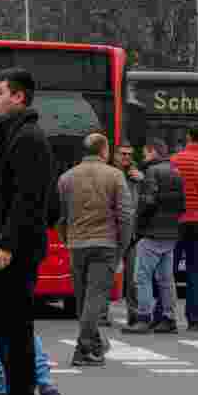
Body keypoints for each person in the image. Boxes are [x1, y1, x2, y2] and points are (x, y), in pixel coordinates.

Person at [0, 68, 55, 395]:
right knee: (5, 324)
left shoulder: (27, 138)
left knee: (13, 326)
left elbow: (29, 198)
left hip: (15, 249)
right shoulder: (13, 136)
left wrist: (7, 243)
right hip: (10, 244)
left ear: (19, 97)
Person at [56, 133, 133, 367]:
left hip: (77, 244)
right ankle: (84, 347)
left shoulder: (66, 177)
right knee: (95, 298)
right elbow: (126, 215)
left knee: (83, 299)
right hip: (105, 243)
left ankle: (94, 344)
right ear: (104, 151)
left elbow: (60, 217)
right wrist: (122, 246)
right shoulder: (115, 175)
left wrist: (68, 239)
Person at [123, 138, 186, 334]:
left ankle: (143, 317)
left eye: (145, 152)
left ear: (153, 152)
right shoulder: (176, 172)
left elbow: (147, 203)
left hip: (151, 233)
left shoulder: (151, 172)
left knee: (142, 277)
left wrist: (138, 225)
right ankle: (168, 318)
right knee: (165, 278)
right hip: (170, 232)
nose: (143, 156)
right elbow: (181, 205)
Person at [171, 127, 198, 332]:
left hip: (177, 221)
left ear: (189, 137)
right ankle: (196, 318)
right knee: (197, 271)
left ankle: (165, 315)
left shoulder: (175, 161)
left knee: (167, 271)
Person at [109, 143, 143, 327]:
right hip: (112, 231)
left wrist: (142, 180)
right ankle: (101, 314)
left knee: (133, 277)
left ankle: (134, 313)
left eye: (130, 154)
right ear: (115, 156)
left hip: (132, 233)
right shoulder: (109, 174)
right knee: (106, 275)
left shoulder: (136, 175)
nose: (126, 157)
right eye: (123, 154)